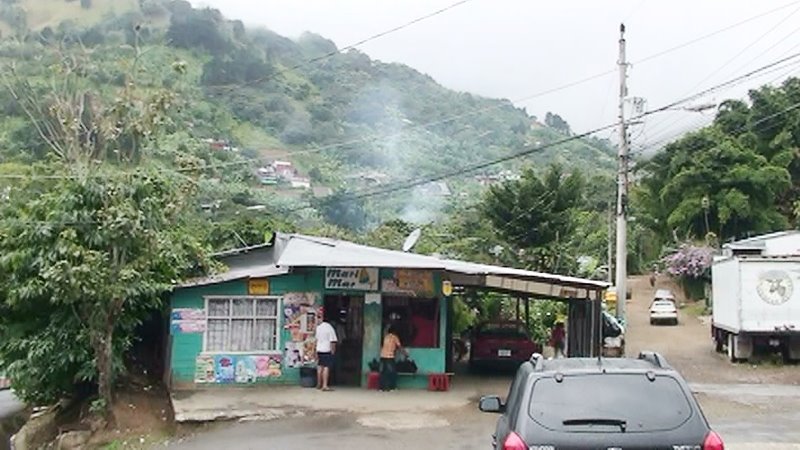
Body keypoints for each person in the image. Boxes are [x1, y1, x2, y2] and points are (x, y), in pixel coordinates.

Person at [379, 325, 409, 391]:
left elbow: (385, 331)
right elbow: (399, 347)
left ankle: (381, 388)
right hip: (389, 356)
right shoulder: (394, 337)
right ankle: (392, 387)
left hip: (382, 356)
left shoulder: (386, 336)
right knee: (392, 373)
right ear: (394, 331)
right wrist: (406, 354)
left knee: (383, 372)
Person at [315, 316, 338, 391]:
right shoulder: (329, 327)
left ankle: (319, 384)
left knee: (319, 366)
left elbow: (316, 340)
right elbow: (332, 340)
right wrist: (333, 351)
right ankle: (324, 385)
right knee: (326, 367)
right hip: (326, 349)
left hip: (319, 349)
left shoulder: (318, 328)